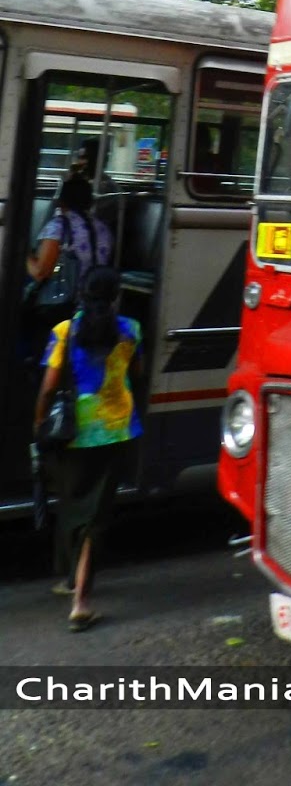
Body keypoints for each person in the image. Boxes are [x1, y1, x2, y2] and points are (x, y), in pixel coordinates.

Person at [33, 265, 143, 630]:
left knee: (73, 508)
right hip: (115, 432)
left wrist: (38, 424)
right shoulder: (130, 330)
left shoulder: (64, 331)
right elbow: (137, 374)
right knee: (96, 517)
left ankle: (75, 591)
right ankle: (79, 598)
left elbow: (48, 388)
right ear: (116, 296)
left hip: (70, 434)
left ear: (81, 293)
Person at [27, 173, 114, 288]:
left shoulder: (58, 227)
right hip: (94, 294)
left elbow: (40, 273)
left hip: (66, 296)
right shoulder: (103, 228)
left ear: (61, 201)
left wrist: (24, 254)